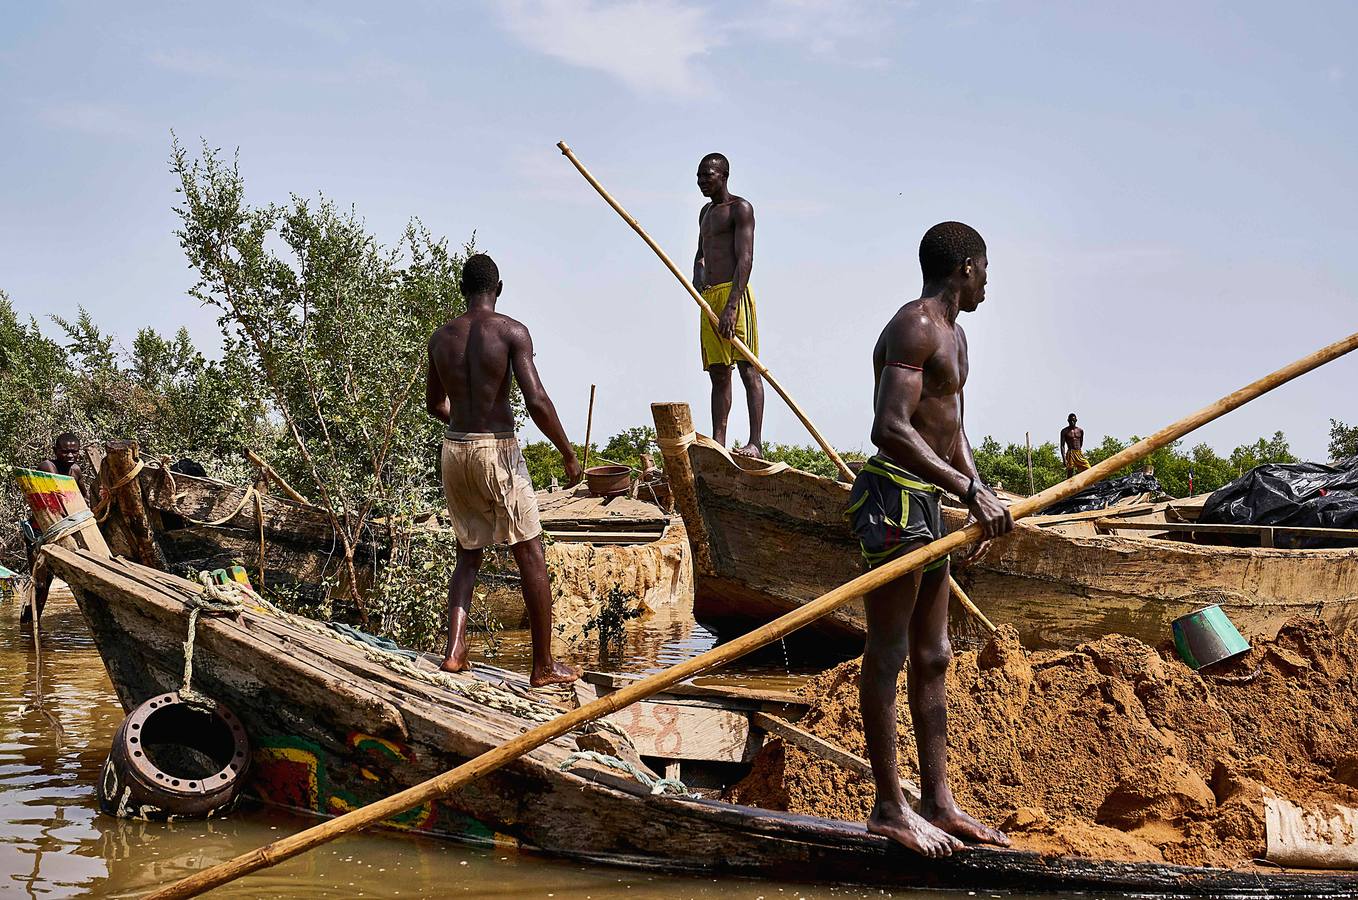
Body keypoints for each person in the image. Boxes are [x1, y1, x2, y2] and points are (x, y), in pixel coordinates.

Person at [847, 221, 1015, 857]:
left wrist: (978, 488)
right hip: (892, 498)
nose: (988, 282)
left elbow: (949, 427)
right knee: (888, 652)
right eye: (985, 269)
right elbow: (889, 428)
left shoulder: (956, 335)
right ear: (964, 267)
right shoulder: (915, 326)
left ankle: (938, 803)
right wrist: (967, 492)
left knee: (935, 652)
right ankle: (889, 807)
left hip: (930, 501)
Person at [425, 253, 582, 688]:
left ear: (462, 289)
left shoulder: (441, 338)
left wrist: (465, 420)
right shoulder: (512, 332)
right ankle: (544, 667)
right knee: (530, 552)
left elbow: (435, 405)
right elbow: (536, 400)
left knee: (467, 554)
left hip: (455, 450)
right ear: (499, 288)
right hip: (498, 450)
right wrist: (568, 454)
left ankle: (455, 651)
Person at [693, 152, 764, 458]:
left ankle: (755, 443)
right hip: (709, 297)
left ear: (723, 175)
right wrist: (697, 275)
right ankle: (718, 442)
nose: (701, 182)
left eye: (707, 176)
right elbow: (701, 253)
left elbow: (745, 259)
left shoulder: (740, 208)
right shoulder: (705, 213)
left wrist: (732, 305)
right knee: (719, 373)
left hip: (734, 294)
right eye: (699, 176)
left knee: (748, 368)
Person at [22, 433, 88, 622]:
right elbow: (59, 496)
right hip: (40, 533)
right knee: (41, 583)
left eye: (74, 452)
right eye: (65, 452)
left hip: (62, 530)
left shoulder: (75, 471)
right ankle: (28, 624)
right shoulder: (47, 467)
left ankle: (31, 626)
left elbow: (83, 498)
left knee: (57, 579)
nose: (69, 456)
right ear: (55, 451)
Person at [1061, 413, 1090, 478]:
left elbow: (1081, 442)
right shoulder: (1064, 431)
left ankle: (1089, 484)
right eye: (1070, 420)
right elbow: (1062, 446)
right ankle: (1068, 486)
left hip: (1078, 452)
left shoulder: (1080, 431)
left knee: (1087, 467)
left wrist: (1079, 452)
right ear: (1068, 421)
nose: (1072, 422)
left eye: (1073, 420)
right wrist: (1064, 459)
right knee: (1070, 470)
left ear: (1076, 420)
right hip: (1070, 453)